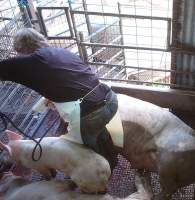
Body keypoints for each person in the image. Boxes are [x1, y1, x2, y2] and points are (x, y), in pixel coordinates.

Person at [0, 28, 118, 171]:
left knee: (86, 147)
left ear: (21, 49)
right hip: (110, 99)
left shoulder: (30, 61)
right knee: (99, 132)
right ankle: (112, 159)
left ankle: (99, 172)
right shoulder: (61, 52)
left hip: (91, 113)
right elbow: (69, 79)